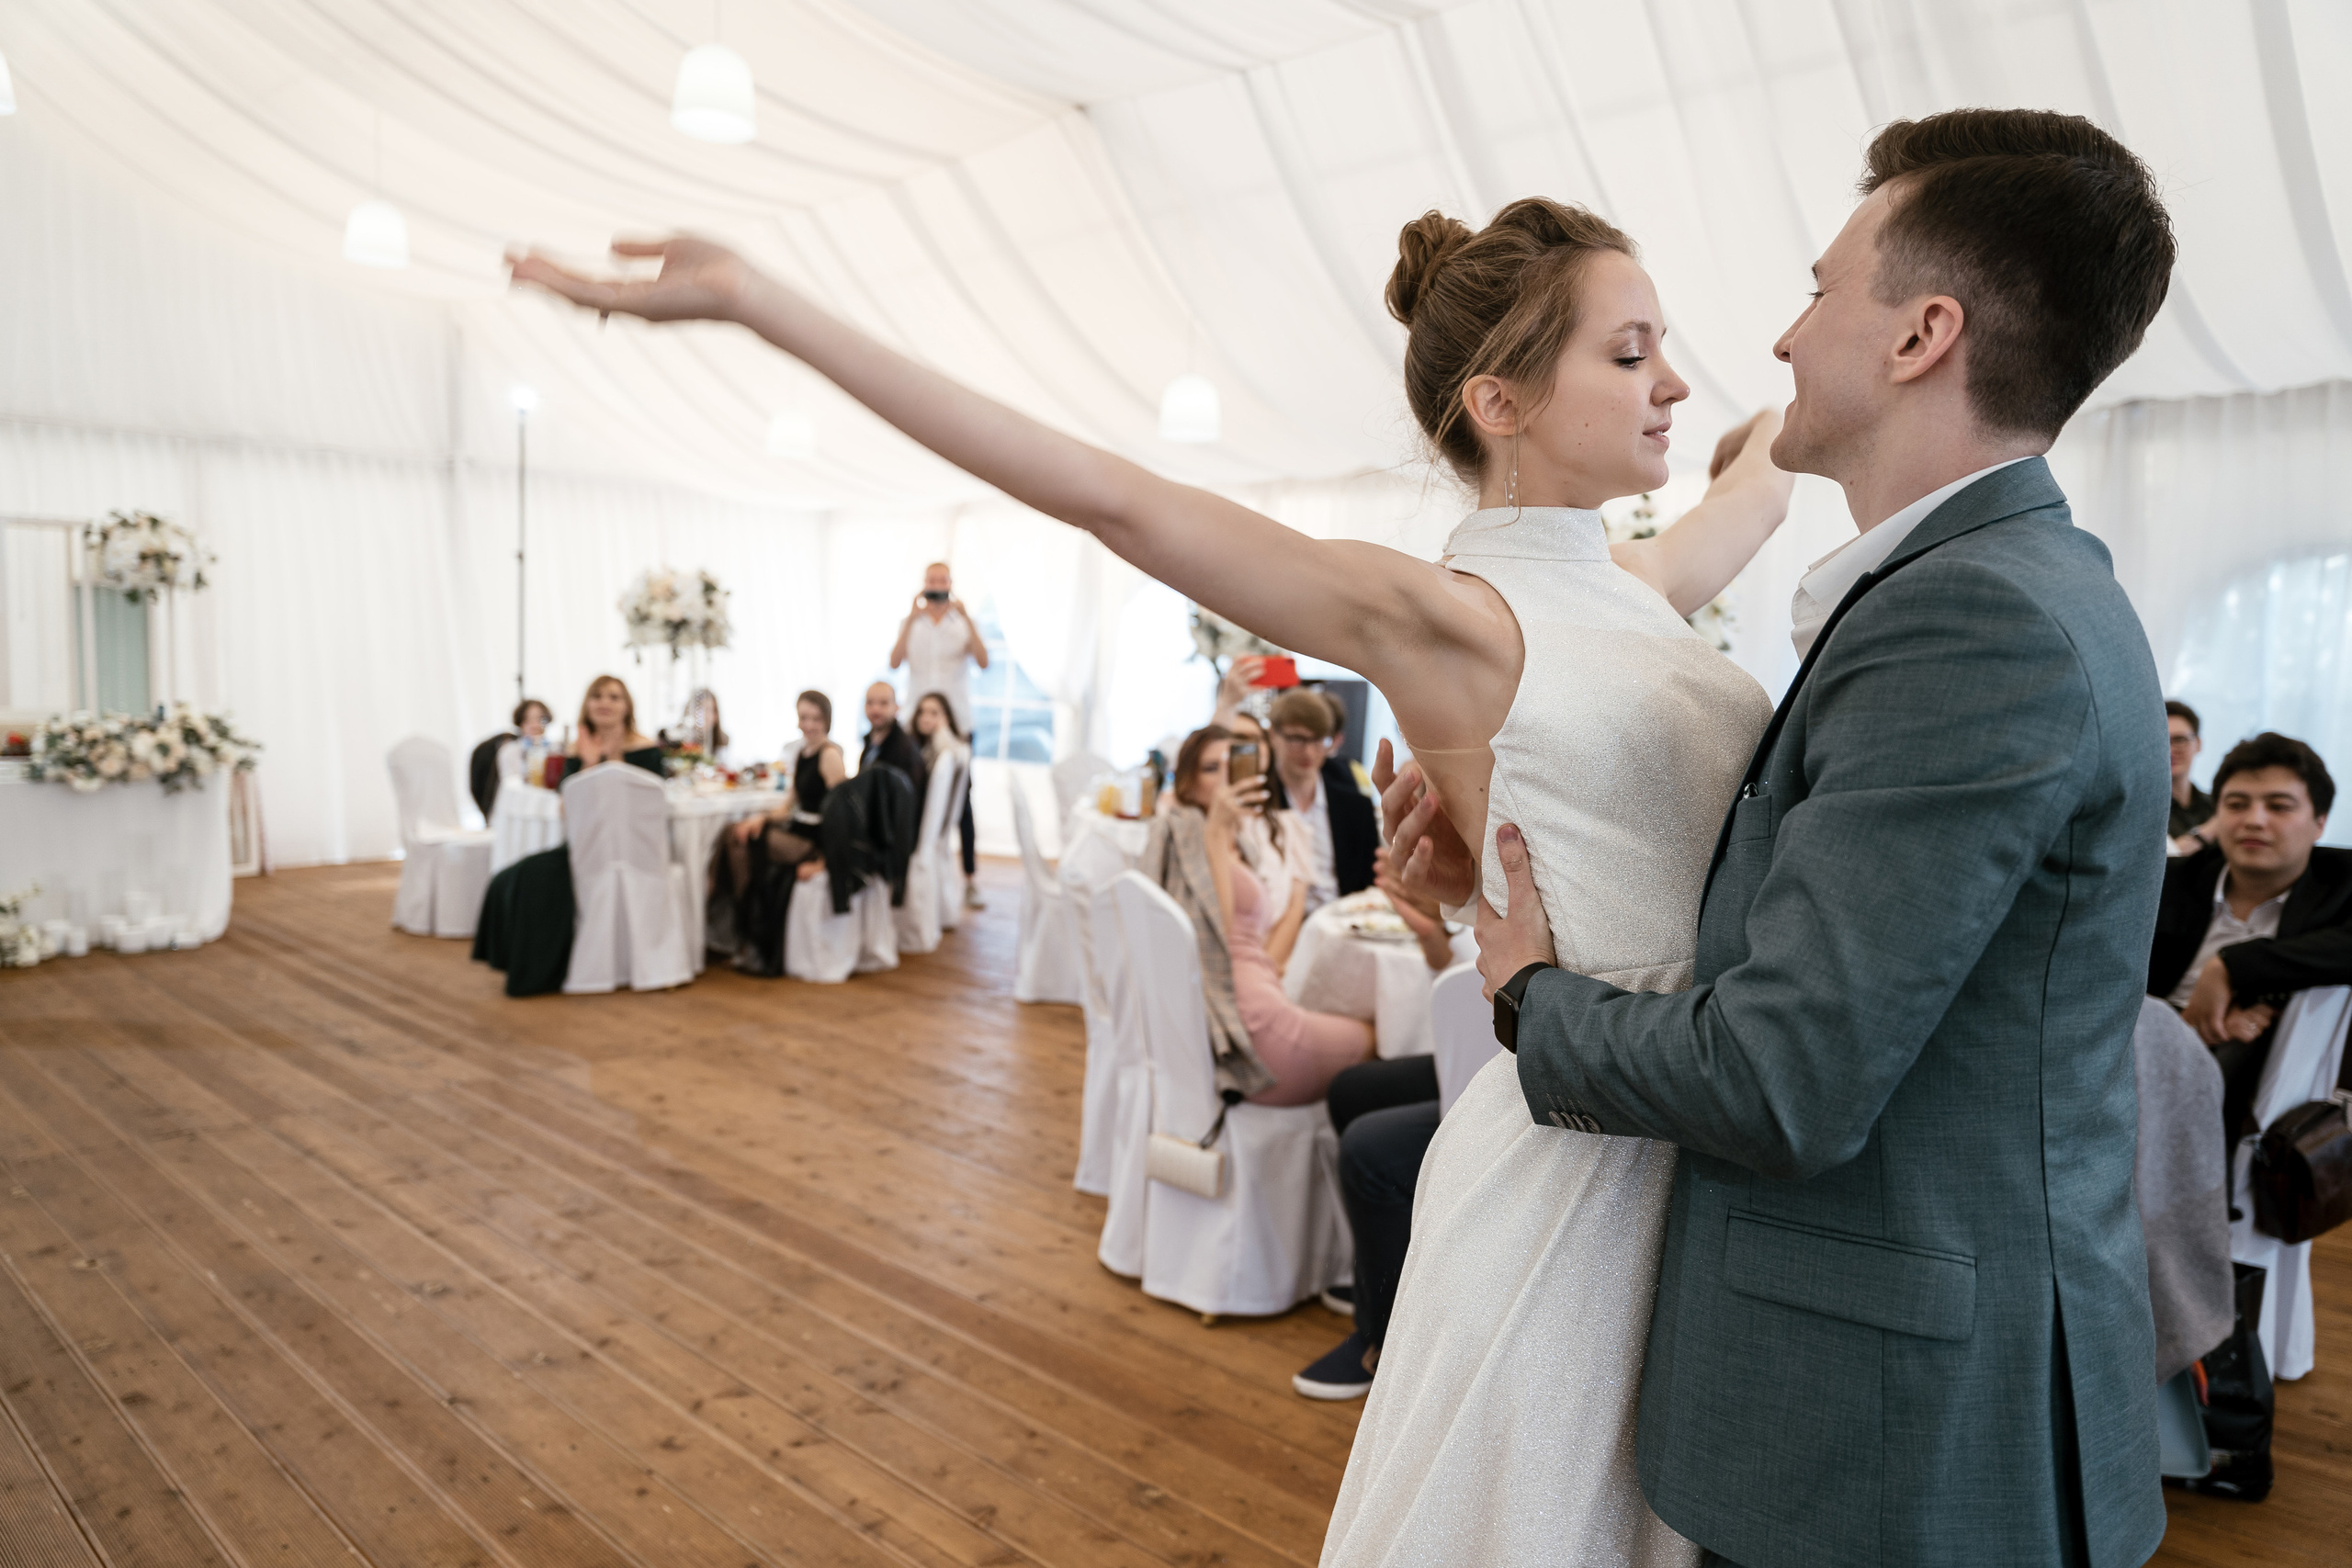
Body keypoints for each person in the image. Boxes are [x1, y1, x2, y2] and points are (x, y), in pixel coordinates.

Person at [511, 174, 1794, 1562]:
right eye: (1630, 352)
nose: (1671, 380)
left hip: (1700, 1109)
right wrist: (760, 304)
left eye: (1664, 345)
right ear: (1501, 403)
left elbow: (1765, 480)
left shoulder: (1632, 584)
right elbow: (1116, 498)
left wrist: (1775, 426)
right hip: (1585, 1173)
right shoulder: (1448, 616)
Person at [1439, 110, 2177, 1568]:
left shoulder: (1975, 621)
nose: (1781, 338)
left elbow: (1787, 1074)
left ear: (1921, 335)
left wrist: (1534, 996)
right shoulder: (1997, 583)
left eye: (1821, 287)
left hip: (1895, 1428)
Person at [1292, 844, 1457, 1402]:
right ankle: (1377, 1285)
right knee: (1352, 1090)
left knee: (1369, 1148)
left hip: (1517, 1063)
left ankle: (1382, 1342)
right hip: (1487, 1046)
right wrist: (1431, 931)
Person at [1147, 727, 1373, 1106]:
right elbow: (1210, 930)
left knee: (1364, 1012)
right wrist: (1217, 829)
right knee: (1381, 1036)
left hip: (1260, 1000)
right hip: (1251, 1027)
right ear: (1187, 781)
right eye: (1209, 768)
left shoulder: (1241, 840)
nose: (1223, 778)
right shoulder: (1185, 834)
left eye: (1230, 766)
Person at [2148, 732, 2350, 1149]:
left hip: (2269, 1081)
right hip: (2147, 1053)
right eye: (2237, 805)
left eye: (2279, 806)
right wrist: (2186, 1028)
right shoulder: (2167, 881)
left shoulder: (2342, 880)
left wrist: (2232, 966)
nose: (2254, 820)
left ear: (2320, 823)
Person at [473, 675, 662, 997]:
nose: (604, 703)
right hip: (584, 846)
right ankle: (516, 964)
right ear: (587, 704)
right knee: (509, 878)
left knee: (534, 879)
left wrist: (609, 759)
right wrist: (588, 762)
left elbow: (642, 804)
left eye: (614, 697)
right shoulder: (576, 751)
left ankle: (538, 974)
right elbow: (568, 807)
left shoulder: (645, 750)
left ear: (627, 706)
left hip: (632, 848)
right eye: (597, 696)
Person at [710, 691, 846, 975]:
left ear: (827, 720)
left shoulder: (829, 755)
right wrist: (760, 818)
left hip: (816, 838)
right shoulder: (803, 752)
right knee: (734, 833)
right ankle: (746, 923)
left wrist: (825, 862)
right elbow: (790, 804)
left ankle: (749, 931)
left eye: (815, 718)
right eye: (804, 718)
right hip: (798, 827)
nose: (809, 725)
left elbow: (840, 813)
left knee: (751, 842)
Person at [891, 563, 988, 907]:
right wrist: (910, 615)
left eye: (942, 581)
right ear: (923, 585)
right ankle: (910, 872)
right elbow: (894, 662)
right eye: (931, 581)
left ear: (950, 585)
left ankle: (970, 879)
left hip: (957, 721)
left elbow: (984, 661)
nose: (936, 587)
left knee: (961, 800)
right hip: (915, 723)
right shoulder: (911, 623)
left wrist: (969, 619)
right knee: (911, 792)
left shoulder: (962, 623)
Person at [1264, 687, 1376, 909]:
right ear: (1272, 736)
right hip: (1278, 923)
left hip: (1344, 923)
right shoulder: (1258, 802)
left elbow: (1369, 882)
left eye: (1318, 741)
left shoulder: (1356, 808)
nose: (1309, 753)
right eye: (1297, 739)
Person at [471, 697, 550, 818]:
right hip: (519, 809)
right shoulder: (510, 751)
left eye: (540, 719)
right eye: (529, 720)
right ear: (521, 723)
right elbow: (514, 784)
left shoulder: (553, 751)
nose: (535, 725)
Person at [858, 681, 928, 806]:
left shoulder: (905, 750)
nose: (875, 709)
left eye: (883, 703)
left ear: (896, 707)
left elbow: (906, 805)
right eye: (870, 702)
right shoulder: (871, 742)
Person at [2168, 700, 2218, 853]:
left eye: (2179, 740)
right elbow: (2168, 857)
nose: (2170, 751)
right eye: (2162, 741)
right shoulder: (2144, 811)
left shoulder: (2216, 804)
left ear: (2198, 744)